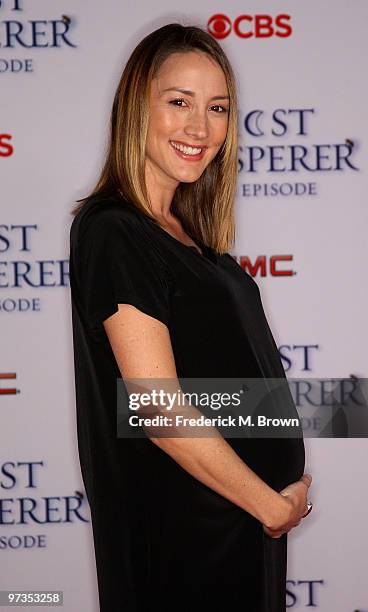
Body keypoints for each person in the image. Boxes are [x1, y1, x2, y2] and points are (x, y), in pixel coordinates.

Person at [69, 23, 313, 612]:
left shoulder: (196, 244)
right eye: (179, 102)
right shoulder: (114, 230)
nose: (200, 128)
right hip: (186, 548)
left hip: (236, 534)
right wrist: (268, 503)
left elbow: (229, 389)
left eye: (217, 108)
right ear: (137, 107)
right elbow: (156, 406)